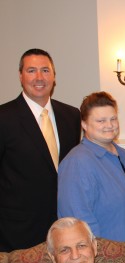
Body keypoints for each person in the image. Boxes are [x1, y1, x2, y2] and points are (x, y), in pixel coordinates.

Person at [0, 48, 81, 251]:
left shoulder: (71, 116)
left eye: (45, 70)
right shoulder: (4, 117)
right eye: (31, 70)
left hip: (63, 226)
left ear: (54, 76)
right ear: (20, 76)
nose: (39, 77)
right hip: (16, 231)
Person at [58, 91, 125, 242]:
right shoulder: (77, 163)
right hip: (107, 259)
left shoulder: (122, 154)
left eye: (113, 119)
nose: (109, 125)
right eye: (101, 121)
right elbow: (79, 224)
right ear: (84, 124)